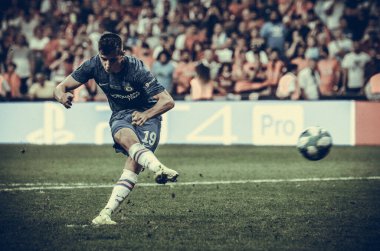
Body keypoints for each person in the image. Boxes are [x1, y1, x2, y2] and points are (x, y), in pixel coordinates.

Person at [54, 33, 179, 225]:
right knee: (127, 139)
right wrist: (62, 96)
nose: (106, 65)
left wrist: (146, 115)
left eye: (112, 60)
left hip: (148, 115)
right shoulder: (93, 65)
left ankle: (106, 213)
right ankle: (158, 167)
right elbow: (60, 87)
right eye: (104, 59)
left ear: (122, 54)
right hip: (121, 115)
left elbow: (168, 101)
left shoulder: (137, 69)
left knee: (134, 161)